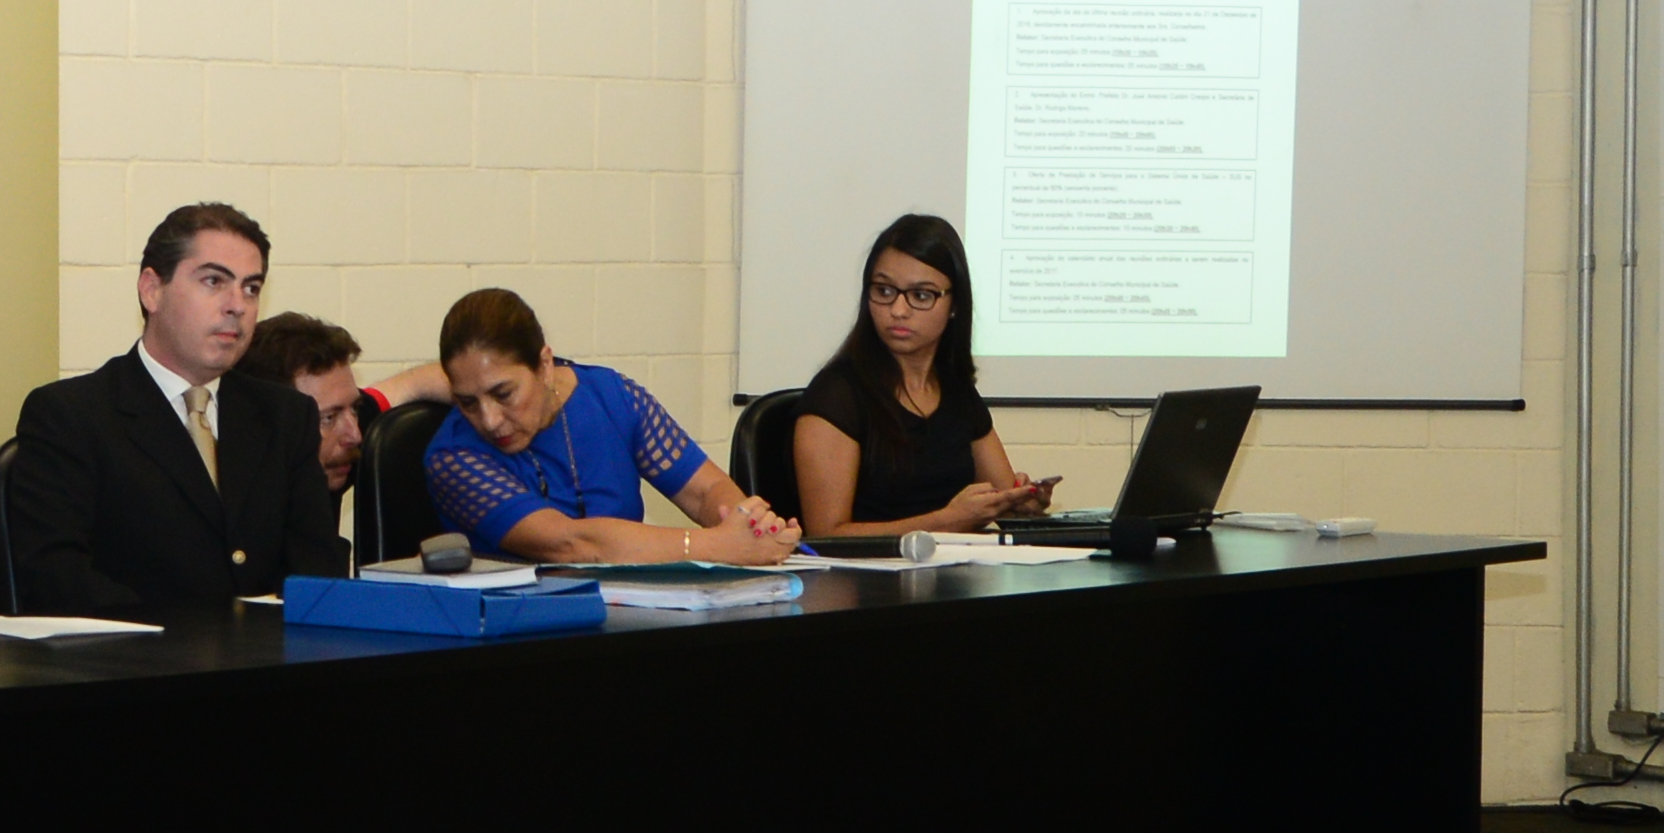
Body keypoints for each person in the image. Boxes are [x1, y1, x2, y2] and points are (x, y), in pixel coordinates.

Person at [2, 204, 345, 617]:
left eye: (251, 288)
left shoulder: (285, 416)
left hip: (267, 652)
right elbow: (57, 580)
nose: (237, 305)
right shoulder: (71, 416)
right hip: (138, 652)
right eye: (214, 281)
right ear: (152, 290)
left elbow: (317, 570)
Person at [419, 287, 797, 566]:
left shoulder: (613, 395)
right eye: (467, 402)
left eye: (503, 394)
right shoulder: (453, 456)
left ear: (545, 365)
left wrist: (749, 527)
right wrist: (718, 546)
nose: (489, 420)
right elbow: (572, 545)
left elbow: (705, 491)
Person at [790, 212, 1054, 539]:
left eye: (921, 295)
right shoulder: (836, 396)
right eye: (884, 291)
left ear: (954, 304)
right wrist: (947, 521)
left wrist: (1020, 503)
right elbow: (827, 534)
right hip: (869, 570)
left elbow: (1001, 493)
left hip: (954, 566)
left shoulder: (955, 390)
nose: (898, 310)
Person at [233, 309, 373, 502]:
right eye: (328, 418)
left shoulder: (329, 466)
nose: (355, 436)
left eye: (355, 409)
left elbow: (397, 390)